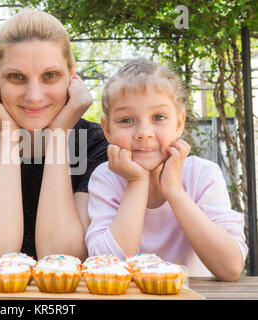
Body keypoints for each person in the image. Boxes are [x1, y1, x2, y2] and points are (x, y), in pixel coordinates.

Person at [0, 8, 108, 260]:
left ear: (71, 75)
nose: (35, 96)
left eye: (50, 75)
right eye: (16, 77)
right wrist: (8, 136)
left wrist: (59, 135)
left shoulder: (98, 145)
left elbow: (63, 258)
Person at [85, 58, 248, 280]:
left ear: (179, 123)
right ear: (107, 129)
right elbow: (108, 266)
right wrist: (136, 182)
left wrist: (174, 191)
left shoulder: (203, 175)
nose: (144, 132)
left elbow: (230, 268)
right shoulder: (105, 178)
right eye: (126, 120)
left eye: (158, 117)